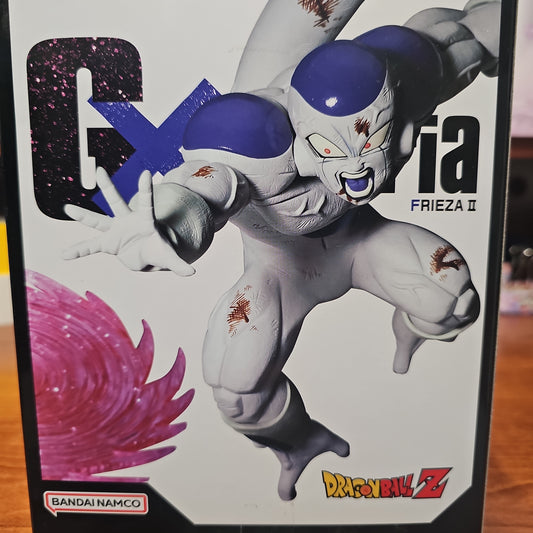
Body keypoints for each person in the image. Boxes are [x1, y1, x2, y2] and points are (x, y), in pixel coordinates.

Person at [63, 0, 500, 500]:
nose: (357, 169)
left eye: (373, 140)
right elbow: (207, 183)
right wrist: (165, 225)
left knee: (452, 302)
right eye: (330, 149)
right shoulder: (257, 142)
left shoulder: (413, 71)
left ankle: (414, 327)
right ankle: (299, 442)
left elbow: (479, 32)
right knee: (239, 392)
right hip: (280, 267)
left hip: (360, 240)